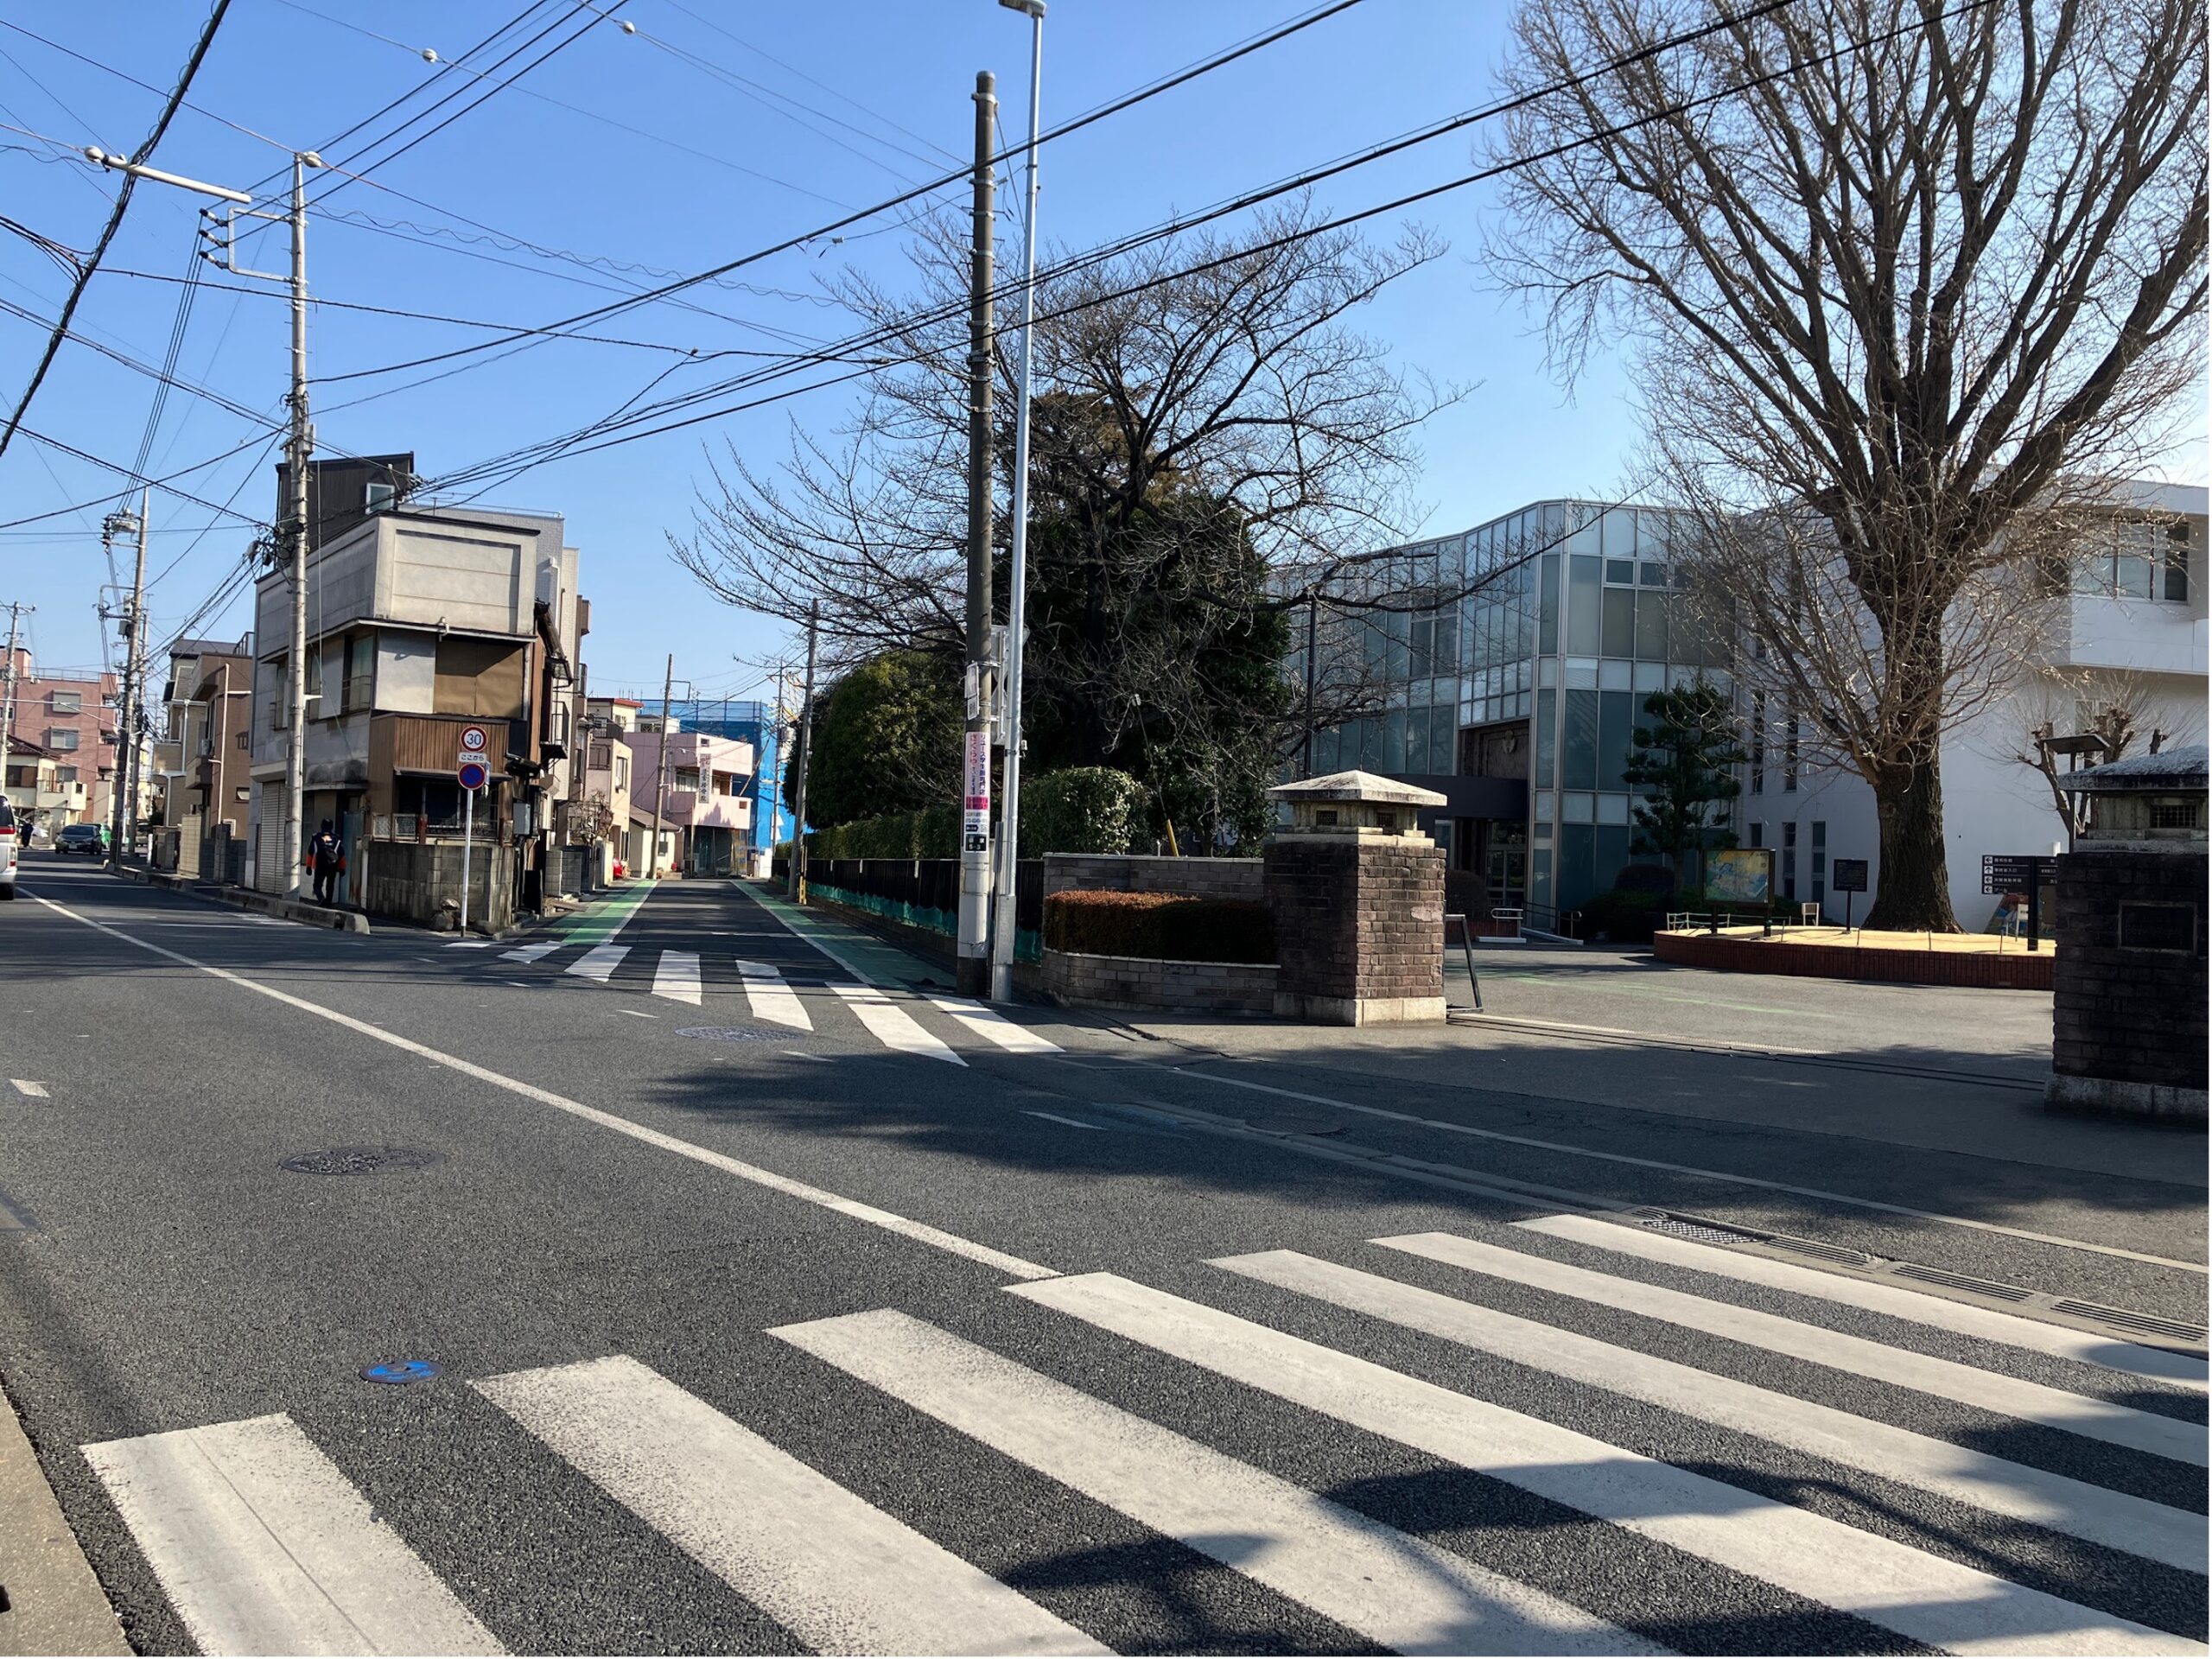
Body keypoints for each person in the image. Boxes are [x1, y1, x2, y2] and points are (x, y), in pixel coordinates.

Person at [310, 821, 342, 906]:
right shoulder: (337, 838)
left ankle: (321, 899)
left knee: (317, 885)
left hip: (320, 864)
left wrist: (308, 867)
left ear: (321, 826)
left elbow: (310, 852)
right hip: (332, 865)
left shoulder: (316, 836)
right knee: (330, 885)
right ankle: (328, 902)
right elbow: (342, 854)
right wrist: (342, 868)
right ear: (332, 827)